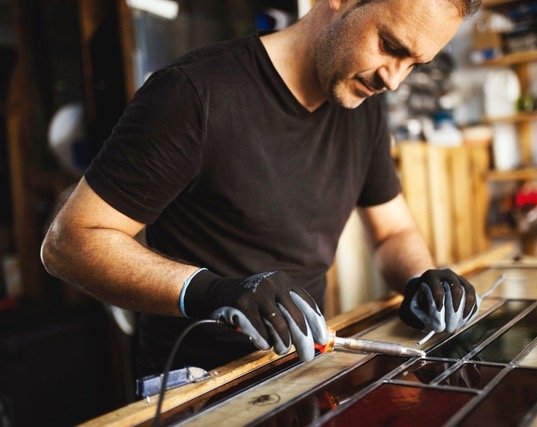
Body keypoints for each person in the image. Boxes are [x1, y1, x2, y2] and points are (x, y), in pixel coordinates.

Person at [41, 0, 482, 377]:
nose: (395, 79)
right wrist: (213, 291)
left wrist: (421, 279)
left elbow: (392, 232)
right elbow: (69, 243)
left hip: (300, 370)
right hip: (201, 385)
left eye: (414, 64)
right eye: (390, 47)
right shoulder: (194, 94)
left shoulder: (362, 106)